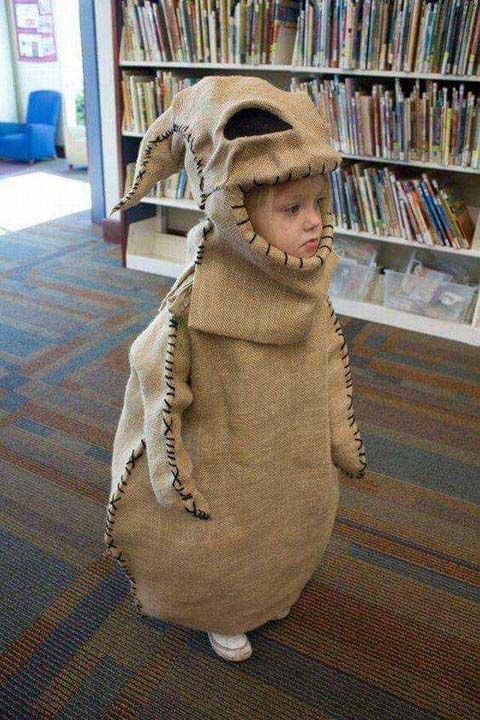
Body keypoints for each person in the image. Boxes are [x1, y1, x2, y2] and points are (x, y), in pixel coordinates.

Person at [104, 75, 367, 663]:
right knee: (229, 538)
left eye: (317, 204)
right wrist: (169, 469)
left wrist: (340, 436)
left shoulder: (306, 288)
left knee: (291, 523)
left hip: (291, 452)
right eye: (291, 208)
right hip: (228, 454)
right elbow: (159, 384)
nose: (314, 223)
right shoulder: (199, 303)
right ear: (234, 208)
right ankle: (224, 610)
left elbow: (328, 360)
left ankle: (275, 588)